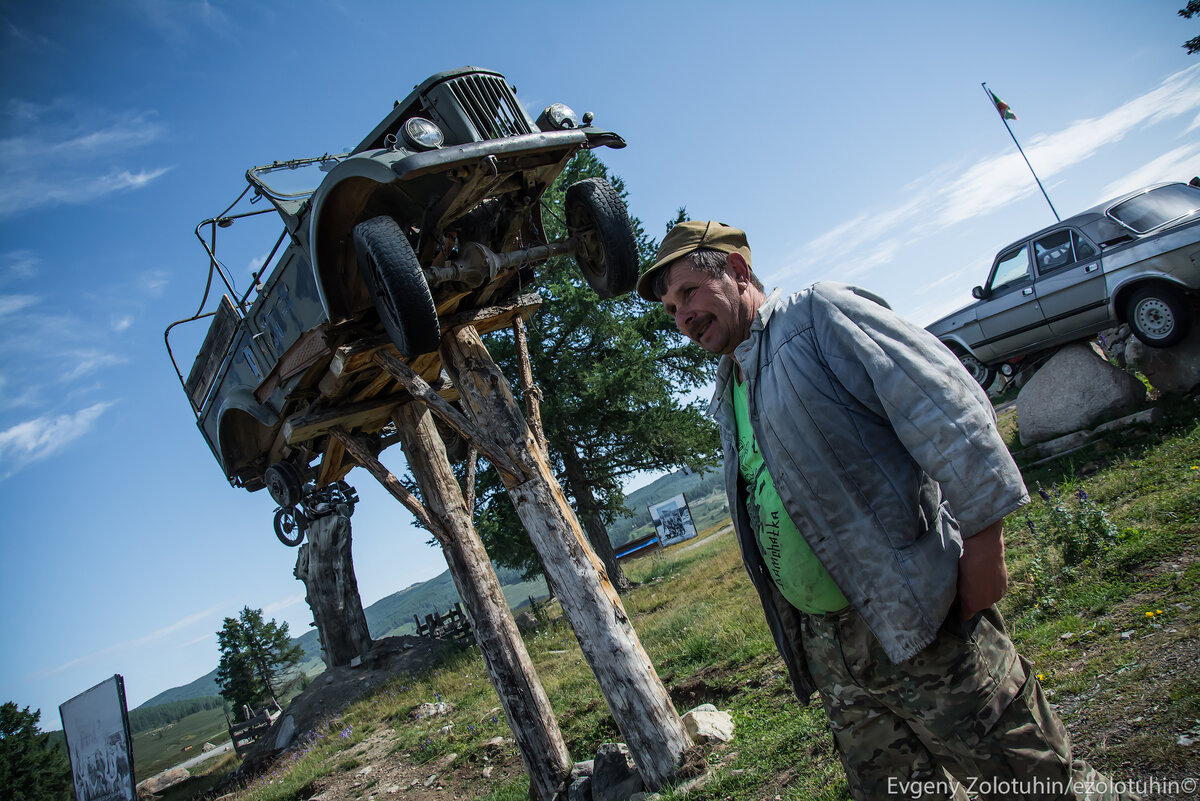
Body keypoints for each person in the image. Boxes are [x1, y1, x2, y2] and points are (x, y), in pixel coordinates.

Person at [638, 220, 1137, 801]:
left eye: (690, 292)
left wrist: (983, 544)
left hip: (919, 621)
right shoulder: (732, 382)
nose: (682, 316)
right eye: (672, 307)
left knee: (1036, 784)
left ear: (740, 272)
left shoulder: (818, 317)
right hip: (833, 655)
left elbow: (945, 405)